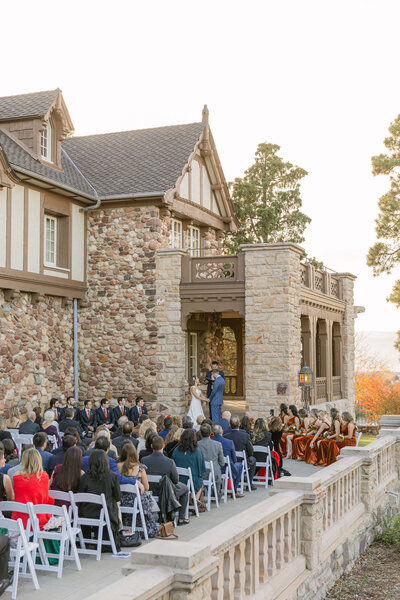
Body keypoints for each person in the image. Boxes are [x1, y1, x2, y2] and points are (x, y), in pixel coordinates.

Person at [78, 450, 121, 552]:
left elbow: (80, 495)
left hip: (87, 512)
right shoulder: (113, 477)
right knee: (114, 504)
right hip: (106, 514)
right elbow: (118, 497)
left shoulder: (84, 477)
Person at [143, 435, 190, 525]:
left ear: (152, 446)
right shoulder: (169, 462)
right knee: (185, 489)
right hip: (165, 491)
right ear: (163, 446)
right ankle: (181, 518)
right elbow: (175, 480)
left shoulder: (144, 460)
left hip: (149, 490)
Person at [117, 442, 158, 538]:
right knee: (148, 499)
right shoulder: (140, 468)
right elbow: (147, 487)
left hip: (121, 501)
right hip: (137, 502)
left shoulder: (117, 466)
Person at [12, 448, 54, 529]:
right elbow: (44, 498)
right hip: (39, 518)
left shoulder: (17, 476)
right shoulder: (44, 476)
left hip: (21, 518)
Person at [171, 430, 205, 502]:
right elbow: (201, 470)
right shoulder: (197, 452)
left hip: (178, 480)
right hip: (192, 481)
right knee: (200, 482)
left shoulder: (176, 450)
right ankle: (194, 499)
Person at [224, 416, 257, 489]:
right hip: (242, 461)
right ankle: (249, 483)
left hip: (230, 462)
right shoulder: (245, 436)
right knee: (253, 459)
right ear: (239, 424)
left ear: (230, 425)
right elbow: (251, 451)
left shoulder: (225, 436)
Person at [212, 424, 244, 497]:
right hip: (226, 469)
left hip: (213, 469)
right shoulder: (229, 442)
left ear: (213, 433)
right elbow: (234, 459)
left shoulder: (211, 442)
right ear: (222, 432)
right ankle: (234, 490)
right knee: (240, 465)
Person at [197, 423, 225, 494]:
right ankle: (217, 492)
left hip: (201, 473)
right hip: (214, 474)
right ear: (211, 433)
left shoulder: (197, 445)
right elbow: (222, 463)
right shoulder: (218, 444)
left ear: (200, 433)